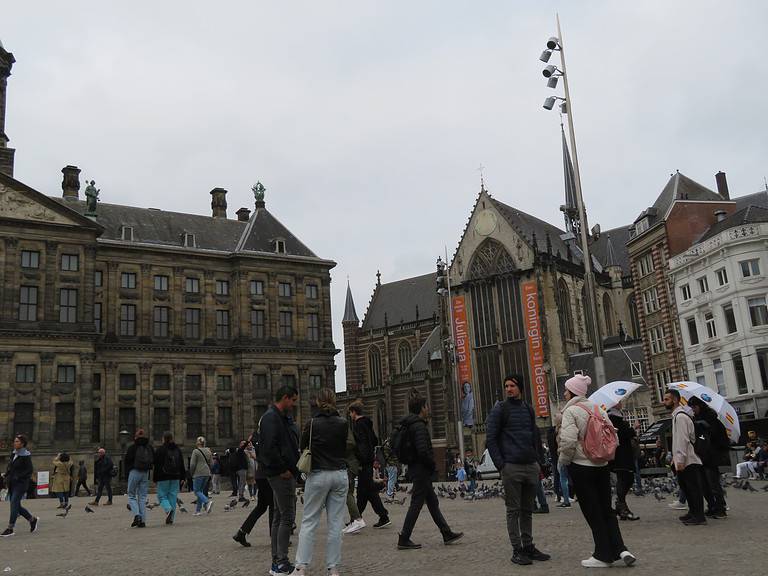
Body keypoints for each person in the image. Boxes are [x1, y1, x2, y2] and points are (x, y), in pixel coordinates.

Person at [559, 374, 636, 568]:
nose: (564, 393)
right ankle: (621, 548)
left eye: (566, 390)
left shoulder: (571, 411)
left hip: (582, 466)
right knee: (607, 510)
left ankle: (602, 554)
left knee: (592, 511)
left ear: (572, 392)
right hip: (601, 466)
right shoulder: (598, 409)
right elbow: (614, 438)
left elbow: (567, 441)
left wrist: (564, 462)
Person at [485, 374, 550, 565]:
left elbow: (535, 435)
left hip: (529, 465)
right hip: (511, 466)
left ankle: (528, 546)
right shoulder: (500, 409)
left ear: (520, 387)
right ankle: (517, 549)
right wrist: (501, 465)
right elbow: (491, 438)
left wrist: (537, 459)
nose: (508, 389)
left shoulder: (528, 409)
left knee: (527, 510)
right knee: (513, 510)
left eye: (512, 385)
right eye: (506, 386)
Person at [292, 388, 349, 576]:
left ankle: (301, 568)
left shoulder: (312, 423)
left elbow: (302, 446)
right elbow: (346, 447)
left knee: (309, 521)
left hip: (318, 474)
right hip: (340, 474)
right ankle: (333, 569)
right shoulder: (343, 423)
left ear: (317, 402)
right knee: (335, 523)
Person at [397, 393, 463, 550]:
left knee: (432, 503)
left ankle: (446, 532)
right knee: (416, 504)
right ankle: (404, 538)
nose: (428, 409)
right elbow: (422, 451)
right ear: (422, 408)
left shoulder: (412, 424)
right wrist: (432, 464)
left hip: (417, 468)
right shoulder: (419, 426)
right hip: (421, 470)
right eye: (426, 406)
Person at [258, 385, 300, 576]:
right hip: (280, 474)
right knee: (287, 517)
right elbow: (268, 448)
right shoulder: (270, 418)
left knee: (278, 517)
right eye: (292, 400)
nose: (293, 404)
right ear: (285, 398)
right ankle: (281, 562)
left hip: (282, 472)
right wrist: (283, 469)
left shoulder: (280, 417)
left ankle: (276, 561)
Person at [664, 389, 706, 525]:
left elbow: (682, 440)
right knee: (686, 487)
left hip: (689, 459)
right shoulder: (677, 416)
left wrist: (680, 459)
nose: (664, 402)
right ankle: (693, 512)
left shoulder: (681, 417)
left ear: (675, 400)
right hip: (683, 459)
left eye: (667, 399)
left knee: (693, 488)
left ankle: (699, 516)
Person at [349, 401, 390, 529]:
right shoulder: (367, 423)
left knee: (366, 491)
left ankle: (360, 519)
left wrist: (360, 459)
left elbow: (361, 444)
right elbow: (374, 440)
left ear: (354, 412)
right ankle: (358, 518)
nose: (350, 415)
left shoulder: (358, 425)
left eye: (350, 413)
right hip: (368, 460)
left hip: (363, 461)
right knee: (365, 491)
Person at [687, 397, 729, 518]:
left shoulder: (712, 419)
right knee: (703, 484)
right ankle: (712, 506)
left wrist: (704, 428)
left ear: (700, 406)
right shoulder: (696, 419)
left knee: (713, 483)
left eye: (694, 407)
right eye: (692, 407)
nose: (693, 410)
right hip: (701, 455)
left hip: (711, 456)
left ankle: (721, 508)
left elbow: (716, 438)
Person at [233, 433, 275, 547]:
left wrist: (249, 440)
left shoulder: (259, 438)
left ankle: (241, 533)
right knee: (273, 506)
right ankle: (275, 538)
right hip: (267, 476)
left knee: (261, 507)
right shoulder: (268, 438)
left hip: (260, 476)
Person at [2, 434, 39, 537]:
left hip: (21, 484)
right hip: (12, 483)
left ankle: (10, 528)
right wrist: (6, 474)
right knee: (16, 505)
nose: (15, 443)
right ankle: (32, 519)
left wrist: (19, 476)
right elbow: (11, 467)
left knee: (14, 502)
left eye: (17, 441)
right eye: (15, 441)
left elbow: (29, 470)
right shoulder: (14, 453)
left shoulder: (26, 456)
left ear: (22, 444)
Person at [607, 403, 639, 521]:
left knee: (626, 479)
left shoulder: (616, 417)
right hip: (621, 454)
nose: (621, 403)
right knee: (625, 479)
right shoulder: (613, 418)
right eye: (619, 401)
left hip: (622, 454)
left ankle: (621, 506)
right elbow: (623, 433)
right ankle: (621, 506)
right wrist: (633, 429)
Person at [154, 431, 186, 525]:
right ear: (172, 438)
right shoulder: (177, 449)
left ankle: (168, 509)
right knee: (172, 496)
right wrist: (183, 476)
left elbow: (157, 465)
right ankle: (171, 518)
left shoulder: (160, 450)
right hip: (176, 476)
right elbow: (181, 463)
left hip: (163, 476)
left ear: (163, 439)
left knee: (161, 496)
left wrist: (155, 478)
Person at [125, 428, 154, 527]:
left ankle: (137, 515)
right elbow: (152, 459)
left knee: (131, 495)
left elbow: (127, 460)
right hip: (145, 473)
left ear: (135, 437)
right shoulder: (149, 447)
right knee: (142, 497)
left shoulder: (132, 447)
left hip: (134, 471)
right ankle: (142, 521)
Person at [342, 421, 365, 534]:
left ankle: (357, 520)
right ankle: (354, 523)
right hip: (347, 464)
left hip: (349, 464)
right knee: (348, 492)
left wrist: (336, 447)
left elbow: (351, 443)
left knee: (347, 493)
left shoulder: (342, 425)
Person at [189, 436, 214, 516]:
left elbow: (192, 464)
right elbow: (212, 464)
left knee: (197, 491)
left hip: (198, 473)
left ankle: (207, 502)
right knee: (201, 491)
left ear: (197, 443)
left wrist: (191, 473)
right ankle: (198, 510)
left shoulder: (195, 451)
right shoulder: (208, 451)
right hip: (207, 473)